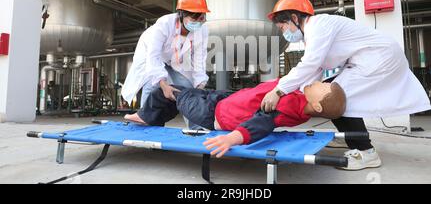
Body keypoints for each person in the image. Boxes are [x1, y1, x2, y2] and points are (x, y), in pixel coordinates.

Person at [260, 0, 431, 170]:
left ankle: (366, 152)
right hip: (369, 59)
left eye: (283, 27)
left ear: (294, 18)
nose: (284, 33)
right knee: (329, 92)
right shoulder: (311, 35)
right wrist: (297, 91)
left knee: (336, 97)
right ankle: (349, 137)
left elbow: (310, 64)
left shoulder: (318, 26)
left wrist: (278, 91)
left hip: (378, 57)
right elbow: (315, 72)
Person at [124, 79, 347, 158]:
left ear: (316, 105)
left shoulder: (288, 107)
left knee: (170, 92)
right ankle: (149, 116)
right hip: (224, 99)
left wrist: (233, 139)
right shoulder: (300, 92)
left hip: (213, 114)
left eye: (323, 87)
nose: (320, 82)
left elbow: (261, 123)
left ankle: (144, 116)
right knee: (182, 91)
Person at [121, 0, 210, 129]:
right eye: (194, 19)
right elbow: (153, 56)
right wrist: (163, 85)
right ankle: (146, 124)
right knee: (152, 86)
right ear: (181, 15)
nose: (199, 23)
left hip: (171, 59)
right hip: (149, 53)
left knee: (187, 88)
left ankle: (197, 128)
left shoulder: (202, 30)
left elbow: (199, 61)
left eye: (202, 18)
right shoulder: (164, 24)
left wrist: (199, 86)